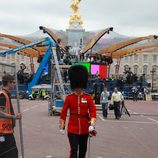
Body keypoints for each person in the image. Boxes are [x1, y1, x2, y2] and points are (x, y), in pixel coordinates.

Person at [59, 65, 96, 158]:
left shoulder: (88, 98)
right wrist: (62, 126)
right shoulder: (69, 98)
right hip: (72, 128)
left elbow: (93, 111)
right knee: (74, 150)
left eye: (80, 87)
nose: (78, 89)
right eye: (77, 87)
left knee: (83, 150)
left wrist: (92, 124)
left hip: (84, 128)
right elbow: (63, 112)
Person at [0, 74, 22, 158]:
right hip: (3, 132)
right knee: (11, 155)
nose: (14, 84)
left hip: (7, 131)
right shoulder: (2, 95)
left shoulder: (6, 94)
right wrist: (14, 117)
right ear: (8, 83)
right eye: (13, 82)